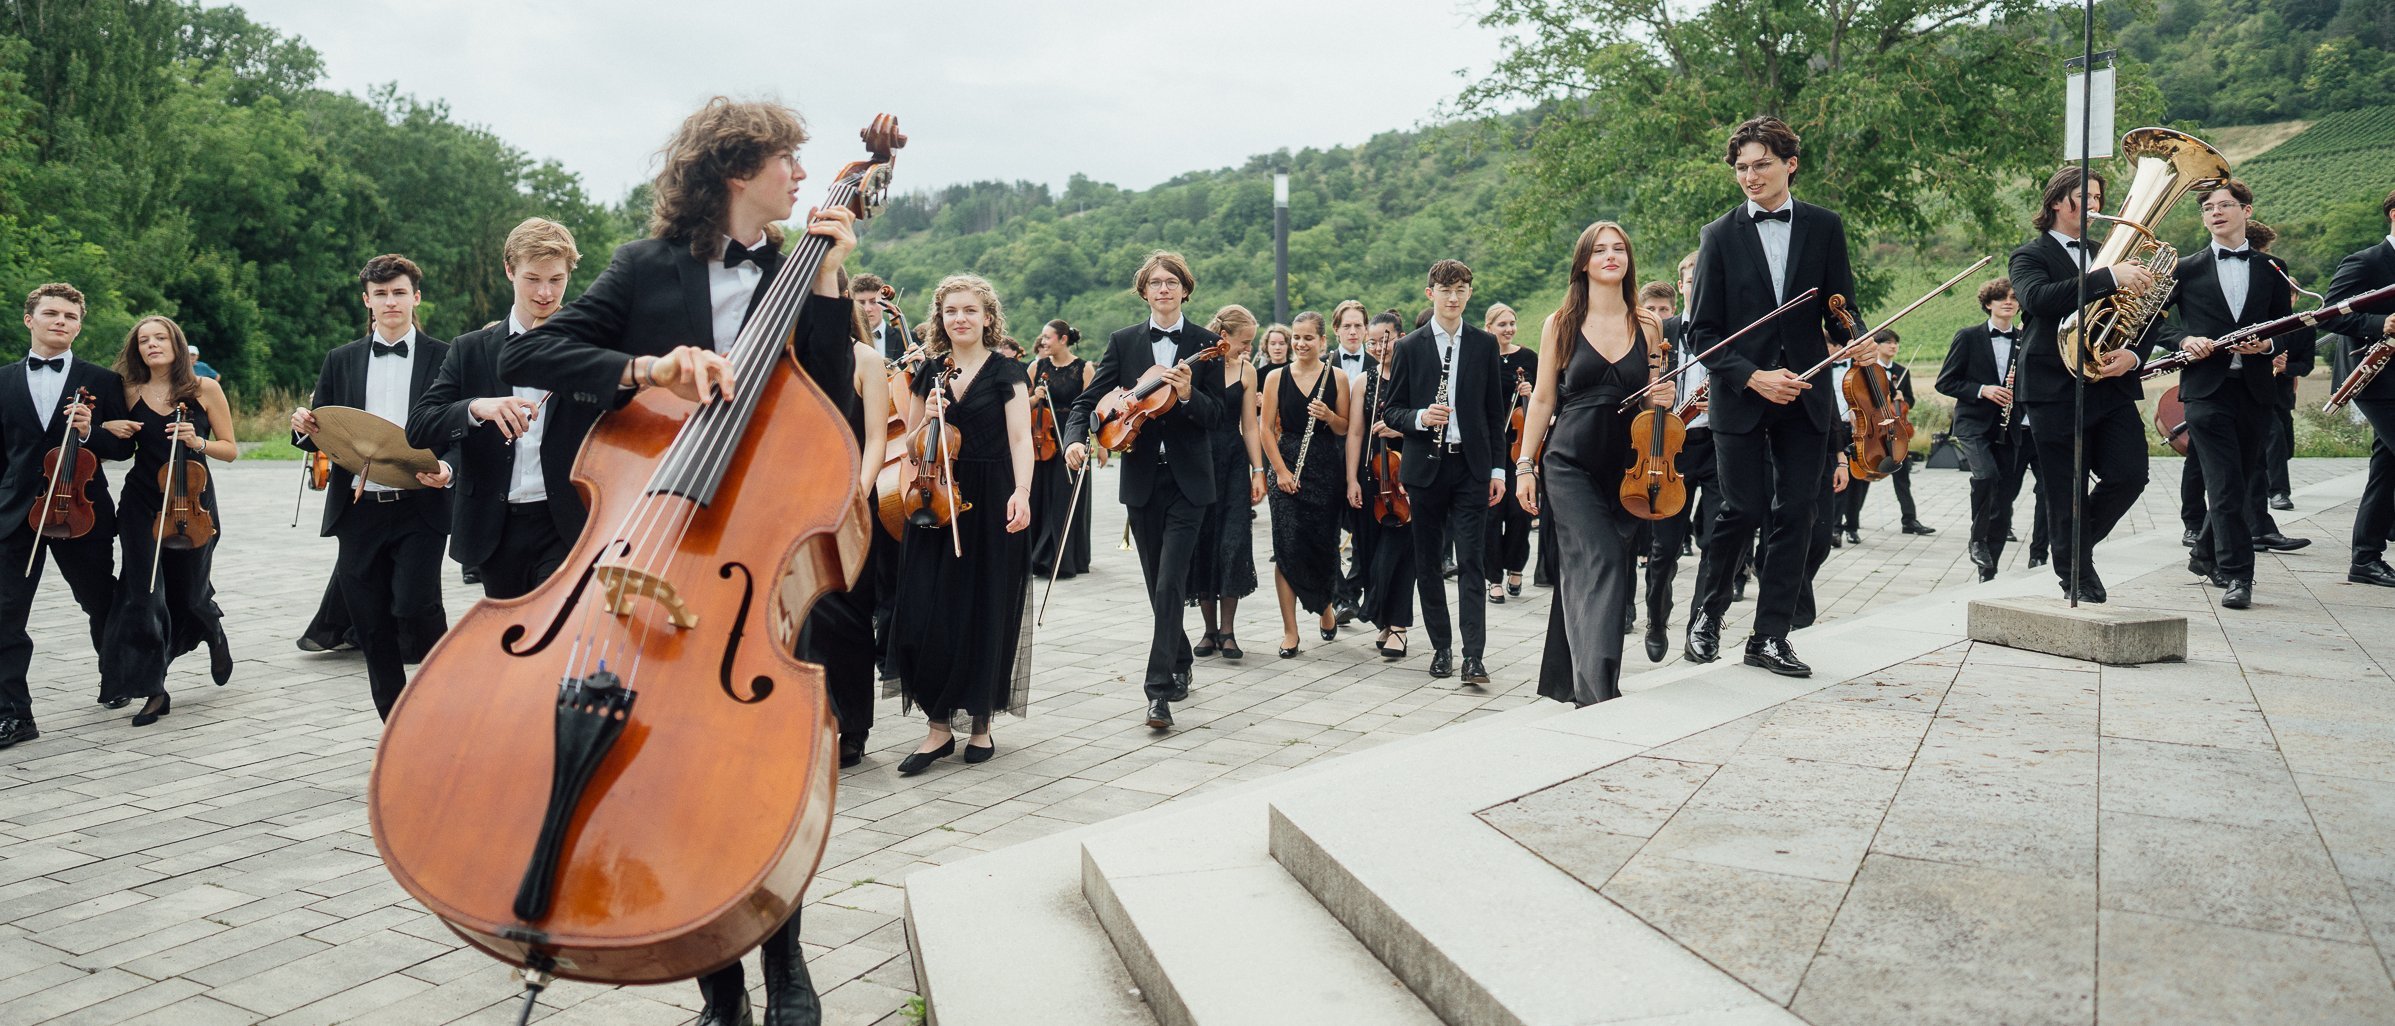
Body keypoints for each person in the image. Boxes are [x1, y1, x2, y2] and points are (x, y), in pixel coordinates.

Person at [499, 96, 857, 1026]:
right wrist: (649, 371)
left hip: (755, 545)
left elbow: (838, 422)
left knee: (744, 768)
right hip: (644, 532)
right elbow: (538, 352)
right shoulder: (644, 268)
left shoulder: (801, 268)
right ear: (739, 170)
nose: (800, 178)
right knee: (662, 766)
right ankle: (718, 990)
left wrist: (826, 287)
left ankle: (785, 965)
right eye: (787, 161)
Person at [1682, 116, 1859, 677]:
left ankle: (1770, 636)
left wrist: (1853, 332)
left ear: (1790, 165)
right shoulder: (1718, 235)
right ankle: (1707, 614)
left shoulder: (1825, 226)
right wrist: (1753, 376)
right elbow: (1702, 334)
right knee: (1742, 507)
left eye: (1761, 164)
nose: (1750, 176)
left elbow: (1841, 307)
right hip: (1742, 395)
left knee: (1798, 515)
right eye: (1741, 168)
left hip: (1806, 392)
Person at [1062, 251, 1226, 730]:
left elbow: (1219, 418)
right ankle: (1180, 657)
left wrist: (1192, 394)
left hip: (1189, 482)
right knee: (1158, 582)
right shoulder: (1124, 341)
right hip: (1142, 481)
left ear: (1185, 289)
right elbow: (1089, 403)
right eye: (1154, 282)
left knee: (1171, 579)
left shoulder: (1206, 344)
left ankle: (1157, 694)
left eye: (1171, 281)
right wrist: (1077, 439)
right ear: (1144, 291)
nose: (1163, 289)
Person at [290, 254, 455, 720]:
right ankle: (395, 721)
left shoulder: (446, 356)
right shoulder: (340, 360)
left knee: (416, 604)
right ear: (367, 301)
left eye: (399, 292)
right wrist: (303, 426)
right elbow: (320, 428)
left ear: (416, 297)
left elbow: (461, 429)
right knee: (369, 619)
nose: (390, 301)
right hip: (359, 508)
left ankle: (443, 694)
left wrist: (447, 468)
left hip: (421, 503)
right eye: (380, 294)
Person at [1515, 222, 1673, 705]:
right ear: (1583, 262)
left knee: (1597, 572)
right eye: (1599, 249)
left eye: (1619, 248)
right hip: (1569, 462)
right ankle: (1599, 693)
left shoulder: (1648, 324)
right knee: (1602, 559)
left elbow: (1652, 407)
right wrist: (1526, 464)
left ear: (1628, 260)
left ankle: (1570, 680)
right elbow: (1543, 399)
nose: (1610, 255)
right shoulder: (1560, 322)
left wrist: (1662, 398)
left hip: (1626, 467)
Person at [885, 275, 1034, 773]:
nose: (960, 319)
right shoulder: (927, 370)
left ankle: (980, 724)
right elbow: (908, 445)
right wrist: (927, 417)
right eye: (951, 311)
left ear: (988, 317)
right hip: (935, 497)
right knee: (928, 610)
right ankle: (937, 728)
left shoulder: (1008, 371)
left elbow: (1020, 442)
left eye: (970, 310)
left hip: (992, 497)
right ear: (940, 318)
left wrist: (1022, 493)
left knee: (985, 606)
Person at [2152, 179, 2313, 609]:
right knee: (2225, 485)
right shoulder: (2184, 269)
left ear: (2246, 211)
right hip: (2206, 390)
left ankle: (2204, 554)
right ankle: (2238, 574)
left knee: (2240, 482)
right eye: (2208, 207)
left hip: (2257, 389)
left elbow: (2287, 328)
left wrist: (2267, 346)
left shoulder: (2273, 268)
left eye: (2225, 205)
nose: (2216, 212)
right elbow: (2154, 324)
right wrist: (2184, 341)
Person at [406, 218, 585, 601]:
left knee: (552, 628)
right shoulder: (470, 349)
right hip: (494, 528)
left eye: (556, 280)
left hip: (568, 524)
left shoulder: (590, 347)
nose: (544, 292)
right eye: (532, 278)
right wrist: (476, 407)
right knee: (509, 642)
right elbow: (419, 426)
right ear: (509, 270)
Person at [2008, 165, 2157, 603]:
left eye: (2097, 197)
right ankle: (2076, 570)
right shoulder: (2029, 255)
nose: (2093, 205)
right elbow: (2037, 299)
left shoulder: (2108, 248)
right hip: (2052, 385)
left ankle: (2070, 548)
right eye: (2083, 197)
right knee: (2065, 484)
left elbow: (2147, 314)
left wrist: (2135, 355)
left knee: (2131, 474)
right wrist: (2108, 277)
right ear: (2056, 201)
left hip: (2108, 383)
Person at [0, 283, 137, 749]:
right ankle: (14, 714)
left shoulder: (101, 381)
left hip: (81, 509)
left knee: (100, 599)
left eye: (70, 316)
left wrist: (91, 431)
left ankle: (116, 676)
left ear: (79, 325)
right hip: (16, 513)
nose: (61, 321)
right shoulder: (2, 380)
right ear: (30, 319)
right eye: (52, 313)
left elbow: (123, 446)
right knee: (5, 612)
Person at [93, 315, 236, 723]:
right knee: (143, 594)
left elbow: (230, 449)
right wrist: (106, 424)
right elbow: (110, 446)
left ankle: (212, 628)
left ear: (176, 342)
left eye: (160, 337)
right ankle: (154, 690)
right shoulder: (127, 389)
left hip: (192, 501)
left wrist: (199, 441)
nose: (152, 344)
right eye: (144, 340)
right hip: (141, 502)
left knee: (190, 595)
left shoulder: (204, 388)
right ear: (136, 349)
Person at [1382, 260, 1506, 684]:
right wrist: (1420, 417)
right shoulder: (1410, 346)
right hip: (1425, 468)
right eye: (1445, 289)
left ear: (1469, 293)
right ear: (1429, 292)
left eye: (1461, 289)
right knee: (1429, 563)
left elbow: (1494, 414)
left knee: (1472, 561)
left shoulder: (1484, 344)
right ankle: (1442, 648)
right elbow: (1392, 410)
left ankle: (1474, 657)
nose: (1453, 297)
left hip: (1470, 466)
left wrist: (1498, 470)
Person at [1938, 278, 2038, 582]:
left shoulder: (2026, 339)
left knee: (2003, 500)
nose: (2008, 302)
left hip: (2010, 427)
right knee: (1986, 476)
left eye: (2013, 297)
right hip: (1973, 424)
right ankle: (1977, 539)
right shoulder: (1968, 337)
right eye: (2000, 298)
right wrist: (1983, 390)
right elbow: (1946, 382)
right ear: (1988, 303)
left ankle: (1988, 568)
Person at [1263, 311, 1350, 657]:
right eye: (1295, 337)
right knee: (1286, 551)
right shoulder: (1274, 378)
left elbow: (1345, 427)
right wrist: (1280, 472)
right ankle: (1290, 631)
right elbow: (1266, 429)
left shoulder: (1338, 377)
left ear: (1322, 341)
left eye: (1307, 338)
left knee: (1322, 546)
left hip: (1325, 469)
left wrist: (1329, 416)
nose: (1300, 343)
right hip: (1286, 466)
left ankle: (1325, 607)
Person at [1639, 269, 1713, 661]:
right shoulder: (1659, 329)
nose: (1697, 284)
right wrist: (1655, 397)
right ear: (1680, 285)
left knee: (1716, 543)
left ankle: (1700, 624)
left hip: (1719, 446)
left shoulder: (1730, 328)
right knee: (1664, 547)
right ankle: (1655, 617)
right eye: (1690, 279)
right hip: (1670, 448)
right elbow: (1636, 384)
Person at [1190, 306, 1264, 660]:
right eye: (1244, 342)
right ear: (1224, 336)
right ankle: (1207, 631)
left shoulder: (1247, 370)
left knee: (1233, 543)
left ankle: (1228, 631)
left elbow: (1250, 426)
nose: (1248, 348)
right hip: (1201, 460)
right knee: (1204, 541)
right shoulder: (1198, 366)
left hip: (1233, 461)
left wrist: (1258, 470)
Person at [2331, 189, 2395, 587]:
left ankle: (2365, 559)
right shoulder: (2367, 261)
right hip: (2377, 380)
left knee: (2387, 468)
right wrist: (2381, 324)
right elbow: (2330, 314)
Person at [1346, 318, 1414, 659]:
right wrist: (1352, 479)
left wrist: (1398, 428)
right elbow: (1356, 433)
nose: (1378, 347)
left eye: (1383, 340)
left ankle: (1399, 626)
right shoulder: (1363, 381)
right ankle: (1385, 621)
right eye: (1372, 342)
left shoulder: (1415, 374)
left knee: (1399, 554)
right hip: (1371, 475)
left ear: (1400, 338)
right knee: (1370, 552)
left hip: (1404, 476)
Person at [1835, 329, 1934, 543]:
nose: (1893, 346)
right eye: (1888, 343)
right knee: (1861, 479)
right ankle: (1849, 524)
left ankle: (1909, 519)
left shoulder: (1898, 371)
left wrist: (1901, 396)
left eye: (1896, 343)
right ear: (1876, 346)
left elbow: (1909, 400)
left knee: (1902, 476)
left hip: (1893, 430)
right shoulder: (1863, 370)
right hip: (1869, 429)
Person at [1030, 319, 1096, 580]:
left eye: (1047, 337)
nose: (1043, 342)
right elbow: (1022, 406)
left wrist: (1097, 444)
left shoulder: (1084, 368)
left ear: (1063, 339)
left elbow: (1093, 408)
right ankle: (1039, 556)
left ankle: (1065, 558)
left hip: (1073, 437)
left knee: (1064, 498)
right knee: (1041, 498)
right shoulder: (1037, 367)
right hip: (1041, 439)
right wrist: (1036, 397)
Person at [1484, 302, 1536, 606]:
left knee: (1519, 513)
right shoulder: (1483, 357)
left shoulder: (1527, 358)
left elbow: (1547, 396)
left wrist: (1530, 394)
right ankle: (1493, 579)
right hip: (1492, 446)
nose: (1508, 329)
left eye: (1512, 323)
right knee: (1491, 514)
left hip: (1520, 448)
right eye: (1502, 324)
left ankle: (1515, 567)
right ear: (1489, 327)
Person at [852, 272, 910, 360]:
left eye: (874, 301)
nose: (868, 309)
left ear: (884, 301)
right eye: (861, 303)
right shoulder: (847, 341)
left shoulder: (906, 338)